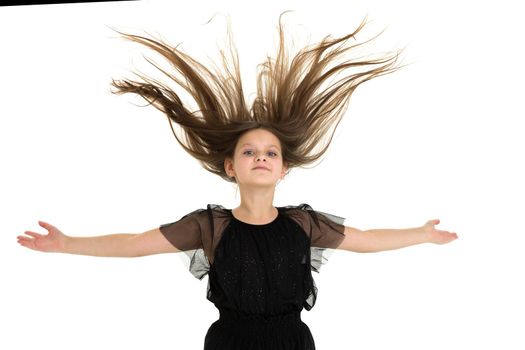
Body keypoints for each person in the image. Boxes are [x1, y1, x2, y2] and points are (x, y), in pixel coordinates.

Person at [16, 11, 459, 350]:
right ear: (231, 166)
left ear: (284, 169)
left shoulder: (304, 224)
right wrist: (67, 242)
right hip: (228, 343)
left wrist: (421, 234)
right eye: (249, 151)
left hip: (293, 343)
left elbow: (368, 239)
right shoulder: (210, 226)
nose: (261, 158)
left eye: (271, 153)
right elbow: (133, 244)